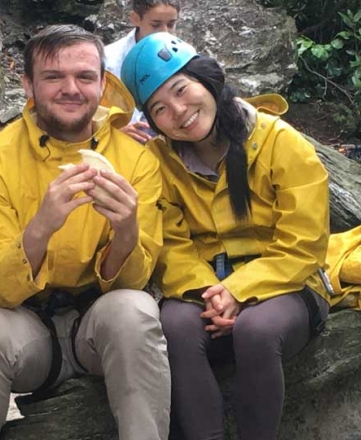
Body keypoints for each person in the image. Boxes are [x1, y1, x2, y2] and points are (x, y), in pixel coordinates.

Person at [0, 25, 170, 440]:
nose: (71, 88)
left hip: (97, 329)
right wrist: (42, 225)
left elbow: (135, 283)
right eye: (53, 77)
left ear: (103, 84)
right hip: (27, 330)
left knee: (134, 310)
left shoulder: (135, 162)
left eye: (85, 77)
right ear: (29, 84)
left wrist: (125, 231)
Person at [121, 32, 332, 440]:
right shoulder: (158, 162)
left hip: (288, 287)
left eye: (182, 90)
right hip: (204, 290)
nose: (179, 112)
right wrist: (213, 294)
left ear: (207, 78)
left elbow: (303, 244)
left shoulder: (279, 142)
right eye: (160, 108)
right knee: (174, 325)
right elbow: (170, 247)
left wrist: (239, 290)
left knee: (257, 330)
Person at [105, 0, 180, 144]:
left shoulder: (184, 56)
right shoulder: (108, 59)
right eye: (156, 25)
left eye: (171, 24)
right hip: (119, 146)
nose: (165, 32)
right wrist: (112, 133)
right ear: (135, 19)